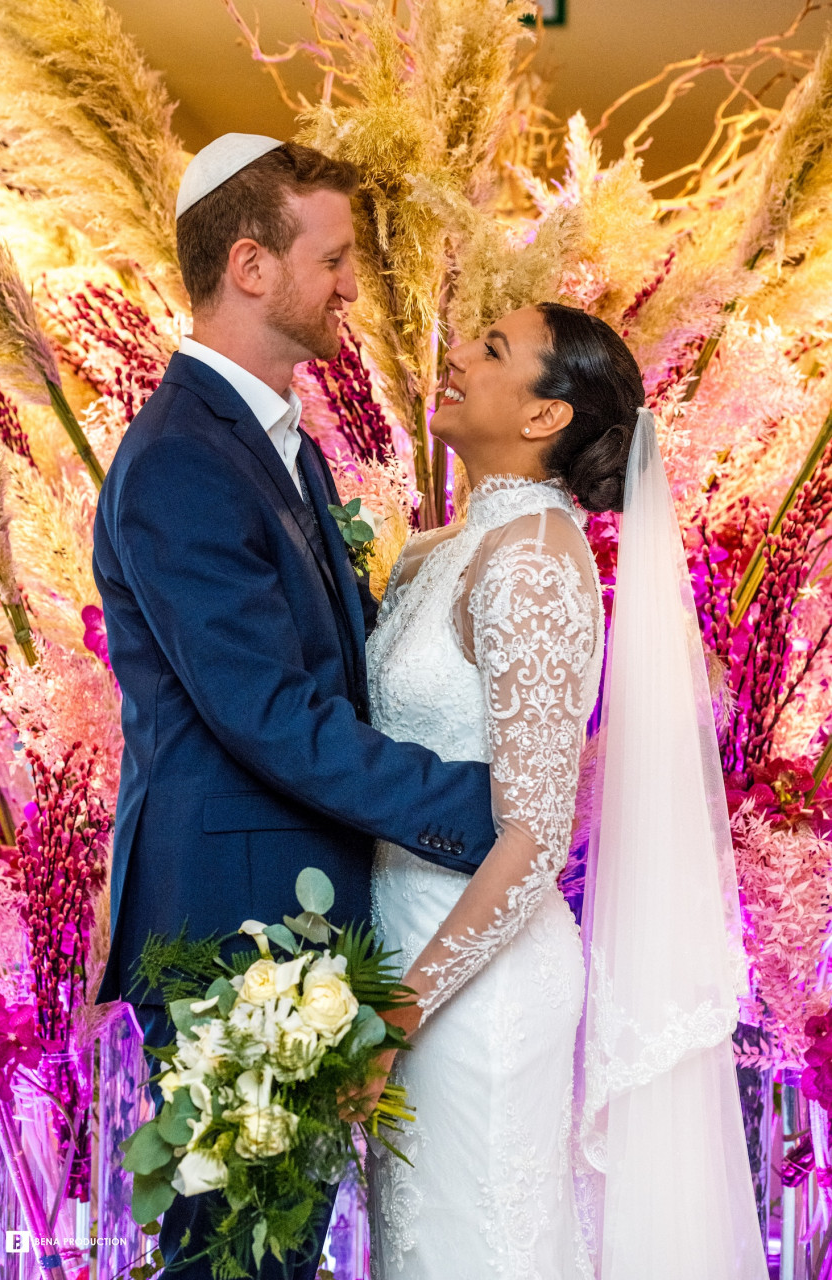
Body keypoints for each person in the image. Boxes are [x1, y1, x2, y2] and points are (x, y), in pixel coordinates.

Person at [91, 134, 498, 1279]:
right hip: (239, 929)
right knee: (235, 1258)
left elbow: (334, 674)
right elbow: (267, 712)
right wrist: (487, 808)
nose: (352, 285)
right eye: (333, 258)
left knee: (269, 1252)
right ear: (251, 266)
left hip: (293, 914)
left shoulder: (278, 445)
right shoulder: (180, 457)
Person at [365, 302, 768, 1279]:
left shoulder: (539, 560)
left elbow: (536, 835)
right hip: (406, 961)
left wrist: (394, 1017)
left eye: (493, 349)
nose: (455, 354)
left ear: (547, 417)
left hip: (471, 991)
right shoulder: (439, 549)